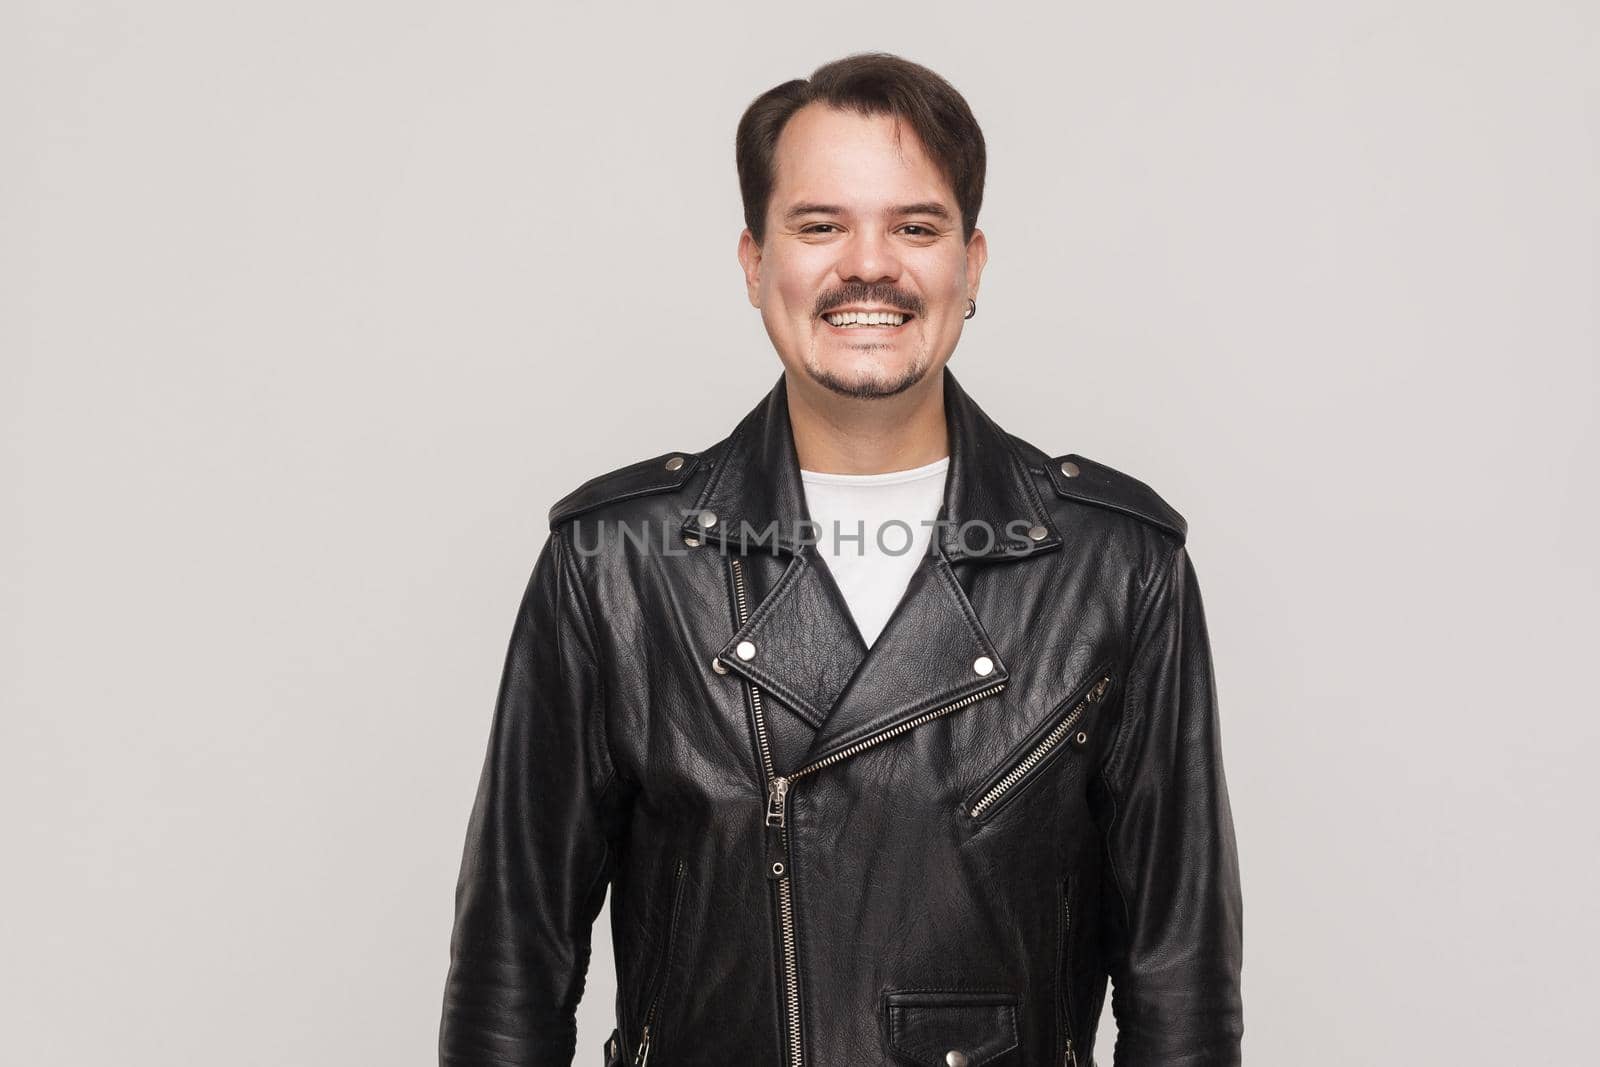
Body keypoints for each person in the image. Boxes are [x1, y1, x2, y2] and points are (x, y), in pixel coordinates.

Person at [440, 52, 1243, 1067]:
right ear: (753, 262)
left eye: (916, 226)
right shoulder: (616, 564)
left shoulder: (1113, 566)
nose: (870, 265)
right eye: (820, 226)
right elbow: (511, 970)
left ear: (972, 264)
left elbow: (1180, 988)